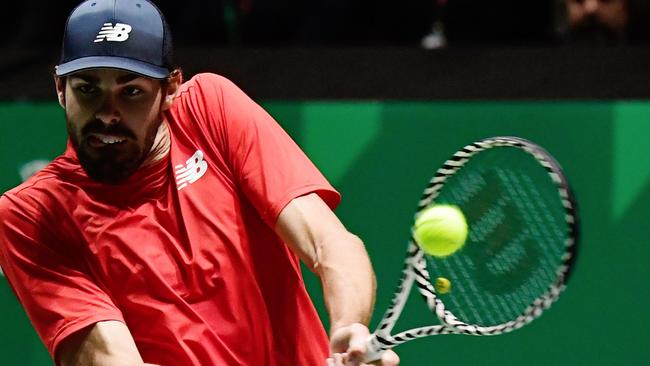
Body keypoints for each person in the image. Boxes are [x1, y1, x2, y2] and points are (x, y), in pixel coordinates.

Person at [0, 0, 399, 365]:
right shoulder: (31, 216)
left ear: (171, 88)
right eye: (88, 89)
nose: (107, 113)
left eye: (132, 91)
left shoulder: (211, 110)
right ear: (59, 88)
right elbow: (112, 359)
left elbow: (328, 242)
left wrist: (350, 328)